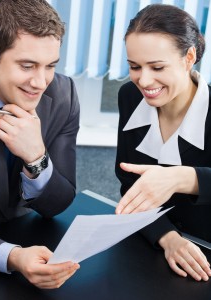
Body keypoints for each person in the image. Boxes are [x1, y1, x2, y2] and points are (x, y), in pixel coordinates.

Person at [0, 0, 80, 289]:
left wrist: (36, 157)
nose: (40, 82)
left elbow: (59, 202)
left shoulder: (63, 94)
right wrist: (11, 257)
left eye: (50, 65)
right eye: (27, 66)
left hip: (27, 231)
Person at [115, 4, 211, 282]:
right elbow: (129, 182)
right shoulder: (130, 97)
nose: (144, 80)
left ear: (189, 57)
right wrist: (167, 237)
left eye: (157, 67)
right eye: (134, 66)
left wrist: (182, 178)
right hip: (155, 241)